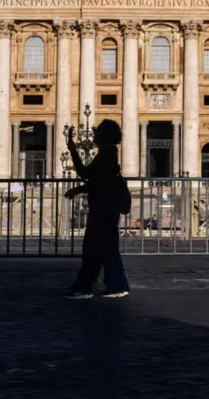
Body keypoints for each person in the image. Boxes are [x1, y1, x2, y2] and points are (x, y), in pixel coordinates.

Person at [65, 124, 130, 300]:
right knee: (105, 249)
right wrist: (78, 190)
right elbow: (98, 180)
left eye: (98, 130)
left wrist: (73, 151)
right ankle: (116, 286)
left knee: (94, 249)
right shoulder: (109, 153)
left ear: (105, 135)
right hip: (107, 208)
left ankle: (83, 288)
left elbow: (87, 174)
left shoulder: (107, 154)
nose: (94, 133)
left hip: (103, 208)